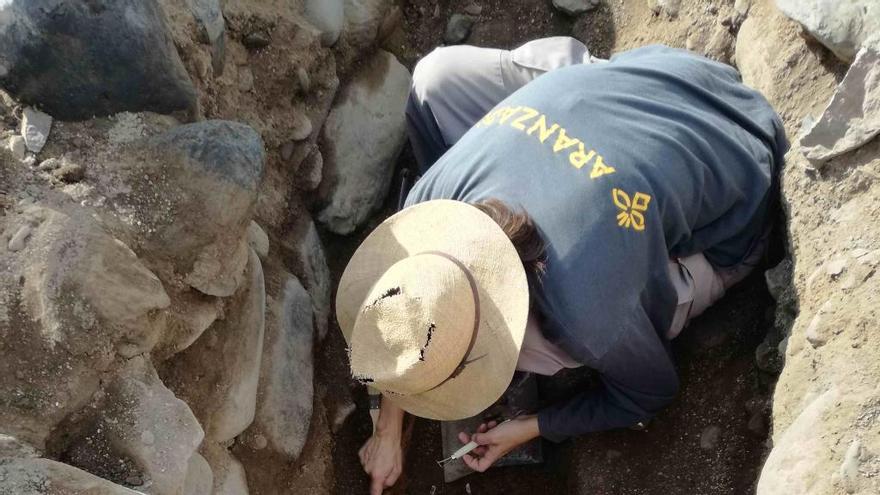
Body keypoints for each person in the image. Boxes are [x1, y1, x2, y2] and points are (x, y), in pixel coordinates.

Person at [335, 37, 788, 494]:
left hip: (745, 163)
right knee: (436, 79)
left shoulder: (578, 310)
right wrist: (387, 428)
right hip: (658, 75)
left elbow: (650, 391)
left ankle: (638, 259)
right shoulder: (428, 203)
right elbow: (413, 305)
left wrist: (534, 425)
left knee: (579, 331)